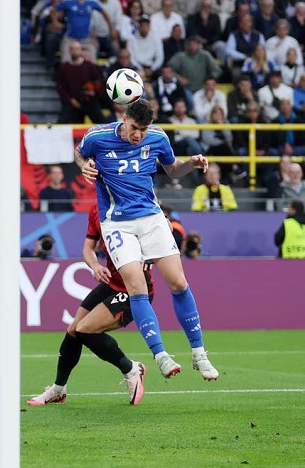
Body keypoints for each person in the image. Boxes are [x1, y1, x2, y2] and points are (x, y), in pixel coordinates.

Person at [76, 98, 219, 380]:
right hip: (117, 223)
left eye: (143, 129)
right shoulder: (97, 136)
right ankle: (161, 355)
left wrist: (191, 164)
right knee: (136, 286)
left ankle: (199, 353)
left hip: (152, 218)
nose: (138, 134)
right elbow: (79, 153)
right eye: (134, 128)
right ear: (124, 118)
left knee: (178, 282)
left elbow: (173, 169)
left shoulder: (157, 137)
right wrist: (83, 165)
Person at [27, 204, 149, 407]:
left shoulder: (135, 203)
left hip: (134, 288)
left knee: (84, 329)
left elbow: (159, 238)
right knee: (73, 330)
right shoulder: (96, 210)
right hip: (112, 282)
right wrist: (95, 266)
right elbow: (87, 250)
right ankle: (58, 389)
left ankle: (131, 369)